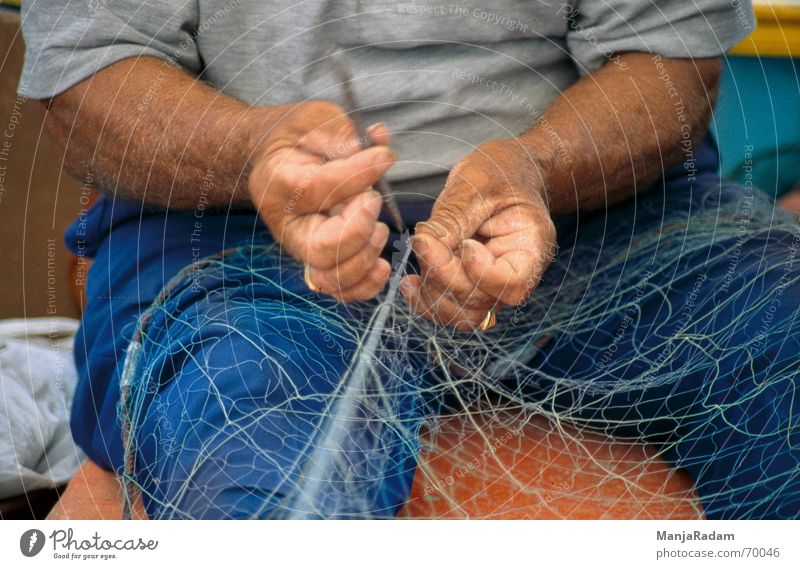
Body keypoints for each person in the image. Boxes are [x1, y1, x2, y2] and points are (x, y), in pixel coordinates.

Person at [19, 0, 799, 519]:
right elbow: (93, 77)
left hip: (609, 215)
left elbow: (670, 62)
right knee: (254, 471)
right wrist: (255, 152)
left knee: (782, 331)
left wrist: (536, 168)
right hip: (227, 235)